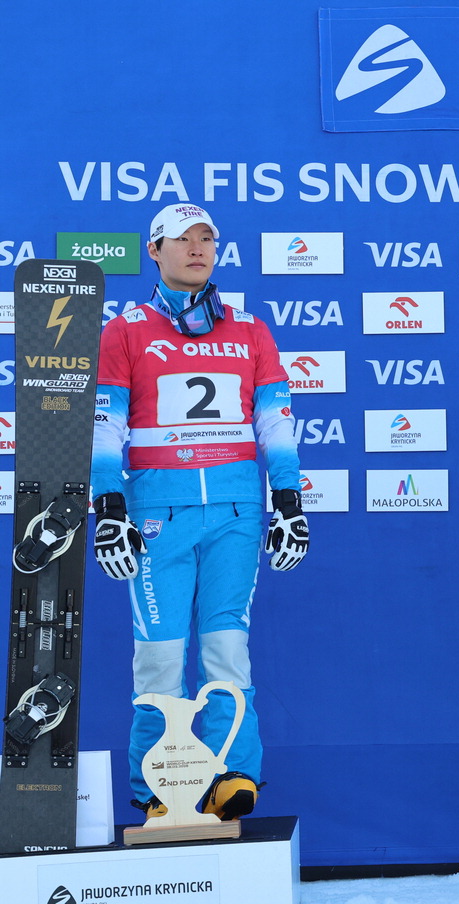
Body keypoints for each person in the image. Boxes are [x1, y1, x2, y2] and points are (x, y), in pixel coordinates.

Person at [91, 202, 309, 822]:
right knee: (159, 657)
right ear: (153, 252)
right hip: (157, 514)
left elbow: (274, 421)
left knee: (225, 652)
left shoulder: (250, 330)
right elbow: (105, 427)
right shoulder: (124, 331)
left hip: (238, 512)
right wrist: (108, 504)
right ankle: (159, 787)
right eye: (180, 239)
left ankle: (232, 775)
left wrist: (288, 499)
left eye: (207, 238)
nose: (197, 248)